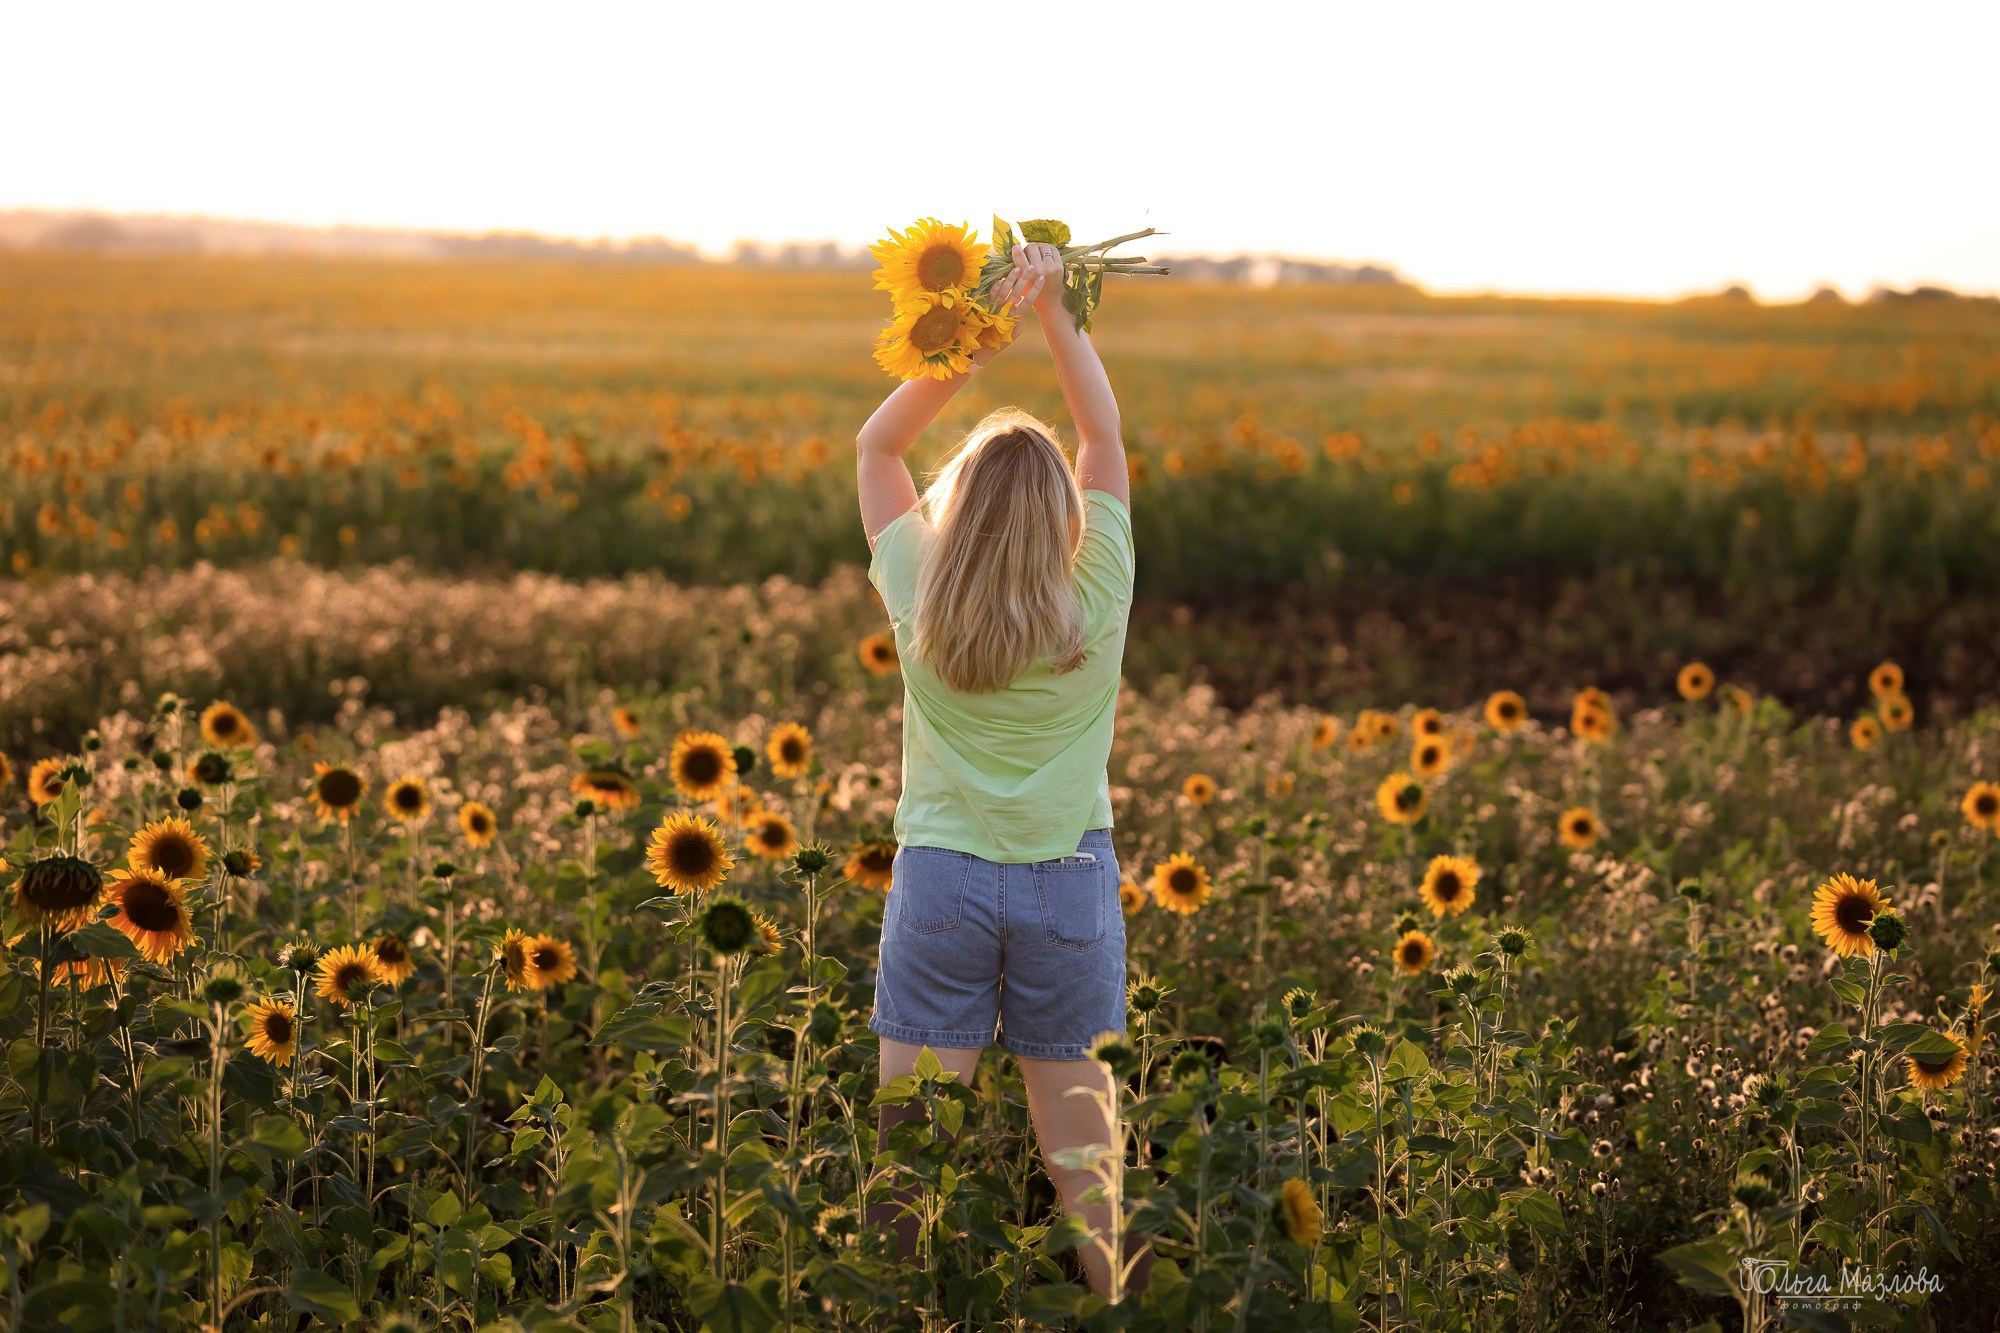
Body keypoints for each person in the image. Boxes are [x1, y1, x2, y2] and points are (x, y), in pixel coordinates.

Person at [855, 239, 1148, 1298]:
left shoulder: (921, 592)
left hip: (941, 878)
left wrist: (968, 340)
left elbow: (876, 448)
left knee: (908, 1149)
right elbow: (1101, 433)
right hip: (1067, 876)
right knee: (1086, 1161)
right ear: (1067, 521)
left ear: (957, 510)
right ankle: (1120, 1305)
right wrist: (1057, 313)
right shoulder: (1098, 595)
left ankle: (884, 1307)